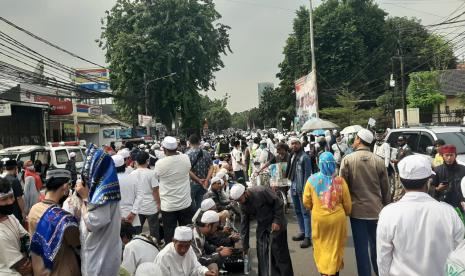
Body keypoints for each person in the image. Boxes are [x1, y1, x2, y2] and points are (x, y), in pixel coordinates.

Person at [377, 155, 465, 276]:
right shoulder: (449, 213)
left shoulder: (388, 213)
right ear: (429, 180)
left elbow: (383, 258)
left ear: (401, 182)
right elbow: (459, 255)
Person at [339, 128, 390, 276]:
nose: (354, 141)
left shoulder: (347, 160)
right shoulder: (378, 160)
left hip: (357, 212)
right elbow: (386, 188)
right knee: (377, 248)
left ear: (359, 140)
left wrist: (344, 208)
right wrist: (386, 208)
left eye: (355, 138)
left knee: (361, 250)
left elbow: (343, 188)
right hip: (377, 211)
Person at [76, 145, 122, 276]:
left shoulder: (103, 193)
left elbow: (93, 223)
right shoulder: (104, 186)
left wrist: (84, 198)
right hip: (101, 251)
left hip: (100, 258)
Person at [303, 152, 352, 276]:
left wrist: (314, 207)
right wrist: (345, 212)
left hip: (319, 220)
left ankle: (324, 271)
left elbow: (306, 202)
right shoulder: (340, 181)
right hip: (337, 220)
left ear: (319, 164)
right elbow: (348, 204)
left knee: (321, 246)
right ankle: (334, 270)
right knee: (335, 247)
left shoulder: (311, 180)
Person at [230, 184, 293, 276]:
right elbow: (244, 225)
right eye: (237, 201)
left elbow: (279, 203)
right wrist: (245, 246)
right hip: (262, 225)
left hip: (276, 222)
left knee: (279, 254)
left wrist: (276, 221)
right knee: (262, 253)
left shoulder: (261, 191)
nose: (239, 202)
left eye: (240, 199)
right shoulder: (242, 205)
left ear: (245, 193)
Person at [28, 169, 80, 276]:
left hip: (40, 270)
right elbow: (77, 241)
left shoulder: (34, 209)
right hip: (61, 271)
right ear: (65, 187)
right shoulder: (63, 218)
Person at [154, 136, 194, 244]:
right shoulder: (185, 158)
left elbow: (156, 178)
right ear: (177, 148)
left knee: (170, 235)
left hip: (168, 206)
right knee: (186, 234)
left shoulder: (160, 164)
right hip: (185, 203)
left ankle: (171, 255)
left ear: (164, 149)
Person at [0, 178, 32, 275]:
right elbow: (24, 266)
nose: (10, 202)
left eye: (11, 197)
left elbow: (26, 237)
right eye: (4, 199)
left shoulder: (10, 216)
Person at [286, 137, 312, 248]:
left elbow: (307, 175)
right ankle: (302, 232)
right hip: (294, 187)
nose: (294, 145)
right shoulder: (292, 156)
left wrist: (307, 191)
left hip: (302, 189)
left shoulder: (305, 157)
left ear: (300, 144)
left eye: (296, 143)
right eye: (292, 144)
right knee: (297, 211)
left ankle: (308, 237)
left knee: (305, 213)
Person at [130, 151, 160, 239]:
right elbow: (155, 191)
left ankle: (137, 245)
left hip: (138, 207)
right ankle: (155, 246)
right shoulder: (152, 173)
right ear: (147, 161)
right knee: (154, 230)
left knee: (137, 230)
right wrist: (159, 204)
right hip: (151, 206)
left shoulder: (132, 174)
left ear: (136, 161)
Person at [432, 144, 465, 216]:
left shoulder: (463, 169)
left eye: (451, 155)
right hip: (443, 206)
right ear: (442, 156)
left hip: (461, 206)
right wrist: (438, 189)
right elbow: (430, 190)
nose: (449, 158)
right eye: (446, 155)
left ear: (455, 156)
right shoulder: (437, 170)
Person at [112, 154, 142, 233]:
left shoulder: (109, 182)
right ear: (125, 165)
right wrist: (133, 213)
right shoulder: (133, 178)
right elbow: (140, 196)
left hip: (115, 220)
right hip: (133, 219)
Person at [187, 134, 213, 211]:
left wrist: (198, 180)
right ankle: (200, 220)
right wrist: (207, 179)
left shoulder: (187, 155)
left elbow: (188, 170)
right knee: (201, 204)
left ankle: (193, 220)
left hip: (192, 184)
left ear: (189, 142)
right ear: (199, 142)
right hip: (205, 183)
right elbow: (211, 167)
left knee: (190, 205)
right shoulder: (205, 153)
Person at [2, 159, 25, 224]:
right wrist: (23, 212)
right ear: (15, 168)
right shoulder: (15, 181)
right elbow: (19, 198)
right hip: (16, 210)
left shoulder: (3, 179)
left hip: (7, 210)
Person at [391, 135, 413, 201]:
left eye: (401, 140)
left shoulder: (407, 149)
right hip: (397, 170)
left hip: (403, 171)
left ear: (405, 141)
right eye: (398, 141)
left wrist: (397, 161)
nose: (399, 142)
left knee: (401, 187)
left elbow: (408, 161)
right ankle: (396, 198)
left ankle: (398, 200)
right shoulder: (399, 148)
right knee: (397, 185)